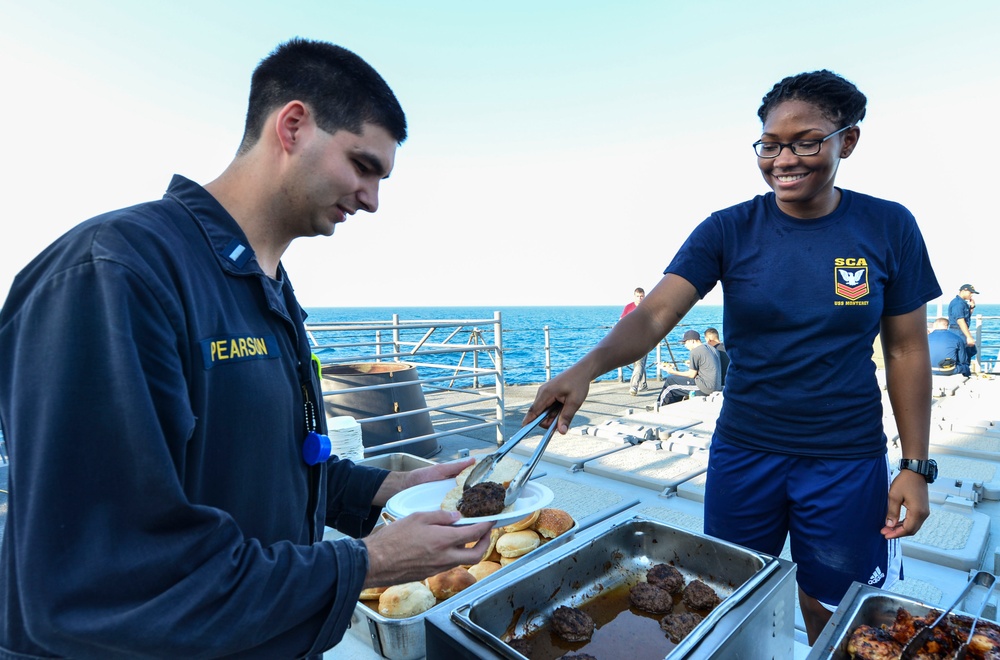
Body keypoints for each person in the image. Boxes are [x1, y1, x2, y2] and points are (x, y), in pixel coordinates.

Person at [0, 39, 493, 658]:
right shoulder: (116, 273)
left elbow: (265, 462)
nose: (372, 199)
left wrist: (387, 492)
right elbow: (104, 577)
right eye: (363, 165)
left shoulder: (267, 288)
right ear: (292, 126)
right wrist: (366, 564)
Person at [524, 69, 940, 644]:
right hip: (745, 454)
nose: (783, 159)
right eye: (769, 145)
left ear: (849, 140)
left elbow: (907, 347)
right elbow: (654, 315)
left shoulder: (888, 225)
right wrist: (583, 369)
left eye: (806, 141)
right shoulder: (729, 229)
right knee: (727, 600)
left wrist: (915, 467)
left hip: (845, 459)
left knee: (835, 610)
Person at [658, 330, 721, 405]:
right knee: (677, 384)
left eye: (685, 342)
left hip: (705, 388)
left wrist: (672, 372)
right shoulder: (711, 348)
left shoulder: (695, 351)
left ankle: (659, 406)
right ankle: (674, 406)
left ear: (692, 341)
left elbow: (691, 375)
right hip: (717, 386)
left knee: (670, 381)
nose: (685, 345)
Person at [620, 287, 649, 395]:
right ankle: (643, 384)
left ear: (644, 296)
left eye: (641, 296)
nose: (640, 298)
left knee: (639, 363)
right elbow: (621, 321)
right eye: (638, 296)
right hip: (630, 339)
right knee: (638, 363)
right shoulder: (629, 307)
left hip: (644, 340)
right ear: (634, 296)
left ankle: (634, 386)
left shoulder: (648, 307)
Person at [948, 283, 980, 372]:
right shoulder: (958, 303)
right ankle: (963, 374)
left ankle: (965, 372)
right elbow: (960, 320)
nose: (971, 295)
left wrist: (972, 307)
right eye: (970, 292)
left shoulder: (962, 303)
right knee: (962, 355)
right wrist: (969, 337)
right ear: (964, 290)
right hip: (958, 331)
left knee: (969, 352)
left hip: (960, 331)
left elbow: (965, 317)